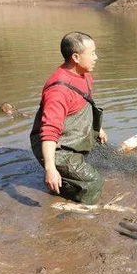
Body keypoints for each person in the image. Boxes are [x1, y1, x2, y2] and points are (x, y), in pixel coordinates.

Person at [30, 31, 108, 205]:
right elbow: (49, 132)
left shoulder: (85, 74)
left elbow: (85, 103)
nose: (97, 57)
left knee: (85, 170)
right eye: (92, 53)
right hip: (56, 147)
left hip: (70, 135)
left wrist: (97, 128)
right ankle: (81, 217)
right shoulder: (58, 90)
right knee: (93, 182)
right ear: (76, 57)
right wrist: (50, 168)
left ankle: (64, 184)